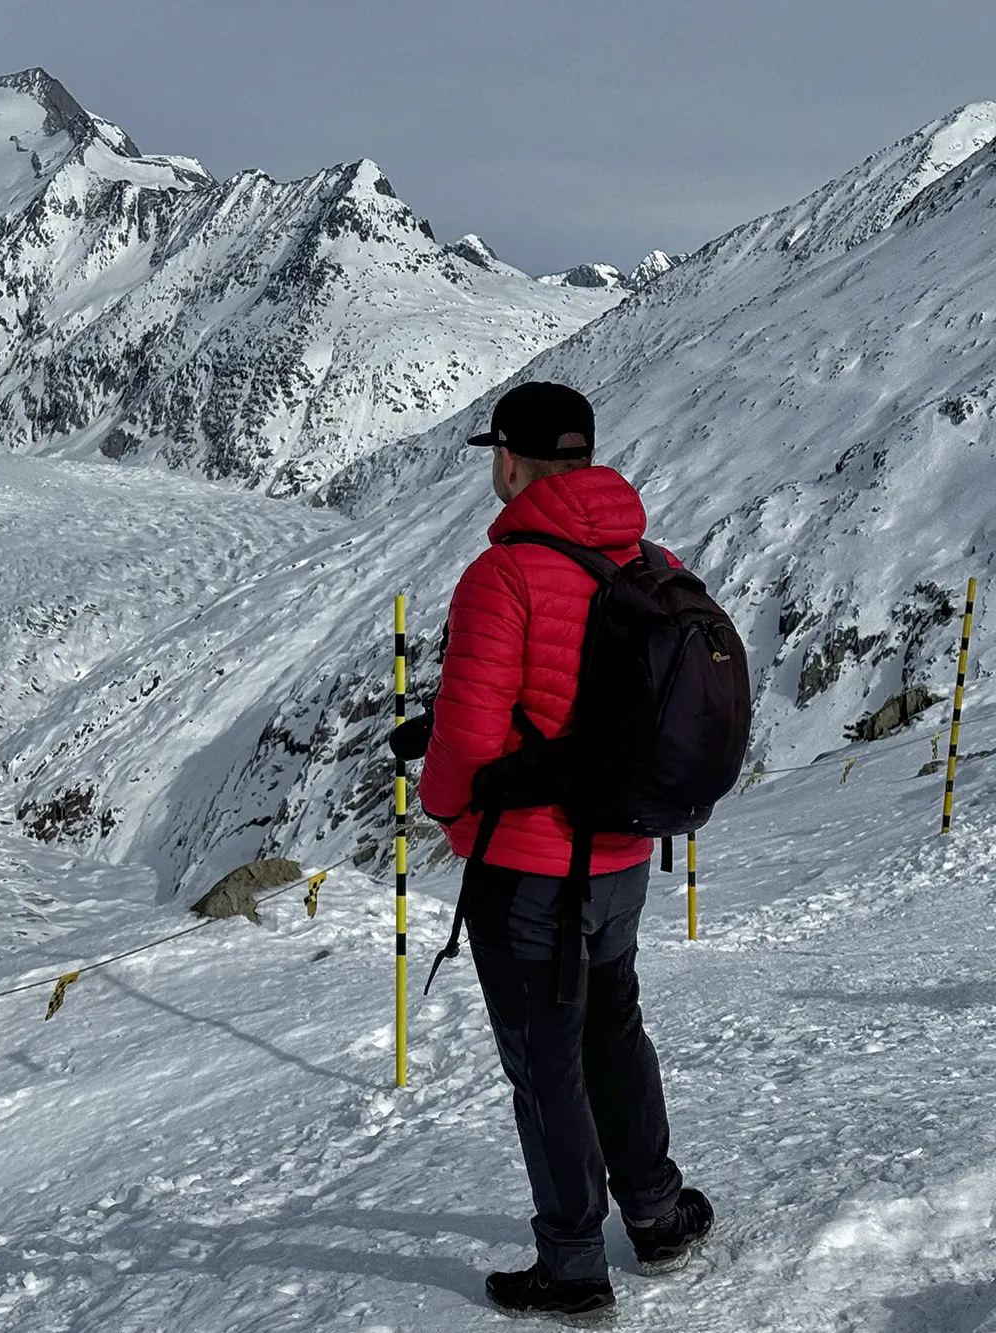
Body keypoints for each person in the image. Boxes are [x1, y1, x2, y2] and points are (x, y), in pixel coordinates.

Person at [414, 381, 714, 1318]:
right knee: (612, 1029)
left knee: (547, 1063)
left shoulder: (501, 576)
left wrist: (454, 817)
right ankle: (659, 1216)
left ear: (509, 459)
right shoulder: (640, 554)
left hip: (532, 871)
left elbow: (466, 744)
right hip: (625, 851)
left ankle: (573, 1264)